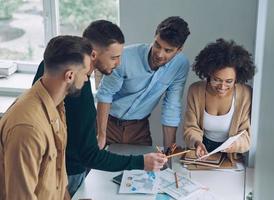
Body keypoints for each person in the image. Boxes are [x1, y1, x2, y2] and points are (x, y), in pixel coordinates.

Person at [33, 20, 167, 196]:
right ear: (94, 55)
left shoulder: (53, 65)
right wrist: (140, 162)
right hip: (66, 173)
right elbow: (89, 155)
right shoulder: (76, 88)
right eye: (113, 57)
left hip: (56, 168)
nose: (118, 63)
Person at [0, 35, 92, 200]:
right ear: (69, 76)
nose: (86, 79)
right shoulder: (28, 128)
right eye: (85, 73)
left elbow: (57, 177)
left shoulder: (57, 107)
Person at [96, 16, 191, 149]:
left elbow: (172, 106)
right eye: (157, 45)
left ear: (179, 50)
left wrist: (170, 149)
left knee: (146, 169)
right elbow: (105, 95)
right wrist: (101, 134)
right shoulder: (125, 57)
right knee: (98, 168)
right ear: (154, 36)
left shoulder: (180, 65)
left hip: (139, 129)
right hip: (107, 124)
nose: (159, 53)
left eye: (168, 50)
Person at [183, 38, 256, 159]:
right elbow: (190, 127)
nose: (222, 86)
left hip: (231, 155)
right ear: (208, 74)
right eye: (216, 80)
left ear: (237, 78)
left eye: (229, 81)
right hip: (200, 153)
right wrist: (197, 143)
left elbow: (246, 134)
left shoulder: (245, 94)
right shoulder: (195, 90)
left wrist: (234, 145)